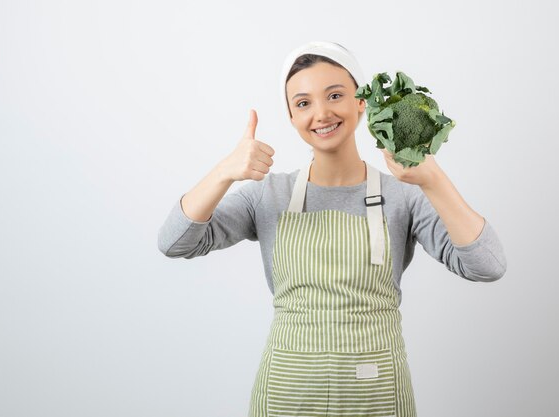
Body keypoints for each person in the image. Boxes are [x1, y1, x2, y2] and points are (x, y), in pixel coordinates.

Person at [157, 40, 507, 417]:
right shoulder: (268, 195)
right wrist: (224, 172)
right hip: (286, 397)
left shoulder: (403, 195)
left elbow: (487, 265)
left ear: (361, 101)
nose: (321, 114)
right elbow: (175, 242)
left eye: (335, 95)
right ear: (292, 117)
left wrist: (433, 179)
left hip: (378, 396)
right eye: (303, 103)